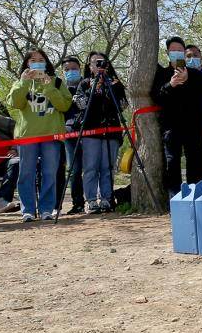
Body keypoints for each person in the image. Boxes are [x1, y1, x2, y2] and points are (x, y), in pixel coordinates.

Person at [7, 48, 72, 222]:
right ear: (27, 64)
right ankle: (27, 210)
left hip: (52, 136)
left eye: (40, 59)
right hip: (27, 136)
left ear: (46, 62)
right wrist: (24, 83)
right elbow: (15, 103)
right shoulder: (20, 82)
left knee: (50, 173)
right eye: (32, 60)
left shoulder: (57, 82)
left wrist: (48, 85)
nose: (36, 62)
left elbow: (64, 106)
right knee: (26, 173)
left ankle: (46, 209)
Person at [153, 36, 202, 195]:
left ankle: (193, 197)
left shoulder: (195, 74)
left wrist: (187, 80)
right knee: (172, 163)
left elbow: (200, 97)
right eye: (173, 51)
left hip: (193, 127)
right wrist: (170, 85)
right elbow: (156, 96)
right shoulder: (162, 73)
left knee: (194, 162)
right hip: (171, 127)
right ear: (167, 53)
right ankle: (174, 199)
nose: (177, 53)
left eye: (180, 50)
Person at [74, 51, 125, 212]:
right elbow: (81, 105)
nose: (98, 65)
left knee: (108, 167)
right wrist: (93, 89)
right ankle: (90, 200)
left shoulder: (115, 83)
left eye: (101, 62)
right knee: (90, 167)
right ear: (89, 66)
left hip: (111, 132)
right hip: (91, 132)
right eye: (94, 62)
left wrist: (111, 87)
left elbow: (123, 105)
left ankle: (107, 198)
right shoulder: (84, 84)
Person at [58, 56, 85, 214]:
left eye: (74, 68)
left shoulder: (88, 83)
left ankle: (101, 201)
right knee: (74, 169)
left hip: (90, 132)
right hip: (69, 133)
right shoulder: (61, 89)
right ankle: (78, 203)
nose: (70, 72)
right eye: (67, 70)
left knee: (92, 169)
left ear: (80, 69)